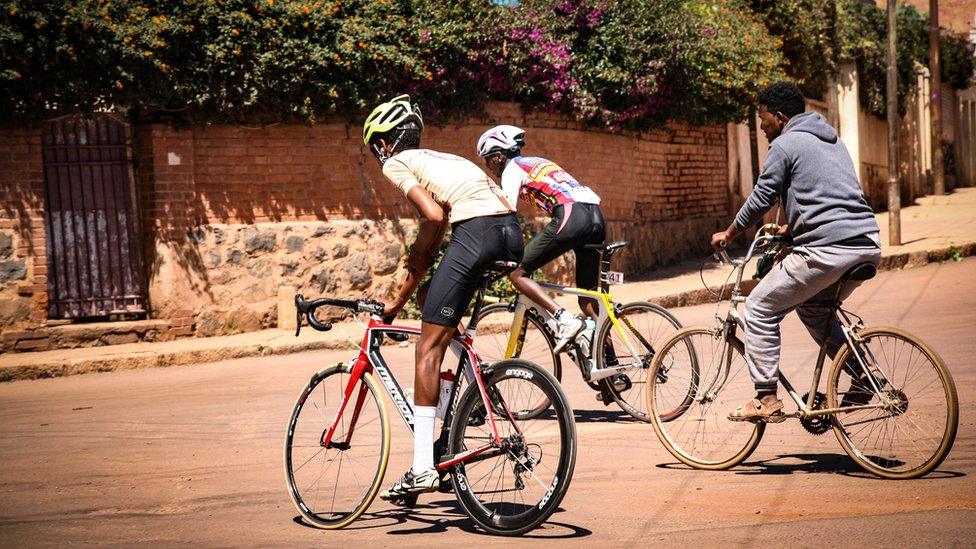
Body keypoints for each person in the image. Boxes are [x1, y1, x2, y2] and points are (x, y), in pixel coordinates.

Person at [364, 95, 523, 500]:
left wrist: (406, 277)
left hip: (477, 233)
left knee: (426, 348)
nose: (377, 155)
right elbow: (441, 232)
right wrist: (409, 291)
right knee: (437, 309)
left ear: (384, 143)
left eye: (375, 147)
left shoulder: (395, 162)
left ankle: (421, 469)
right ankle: (473, 392)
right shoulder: (444, 158)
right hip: (510, 233)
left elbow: (433, 218)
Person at [710, 81, 882, 422]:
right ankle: (865, 376)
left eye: (763, 119)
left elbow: (762, 197)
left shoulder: (785, 144)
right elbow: (828, 196)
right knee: (814, 307)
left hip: (827, 249)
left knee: (759, 307)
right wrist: (791, 230)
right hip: (866, 243)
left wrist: (729, 233)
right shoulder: (831, 141)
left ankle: (765, 398)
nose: (761, 127)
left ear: (779, 116)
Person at [476, 125, 606, 353]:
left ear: (498, 156)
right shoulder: (535, 162)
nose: (488, 167)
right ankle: (609, 366)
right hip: (595, 216)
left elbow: (505, 214)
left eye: (487, 160)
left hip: (571, 214)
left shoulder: (512, 169)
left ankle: (563, 319)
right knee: (587, 299)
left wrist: (492, 250)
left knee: (517, 273)